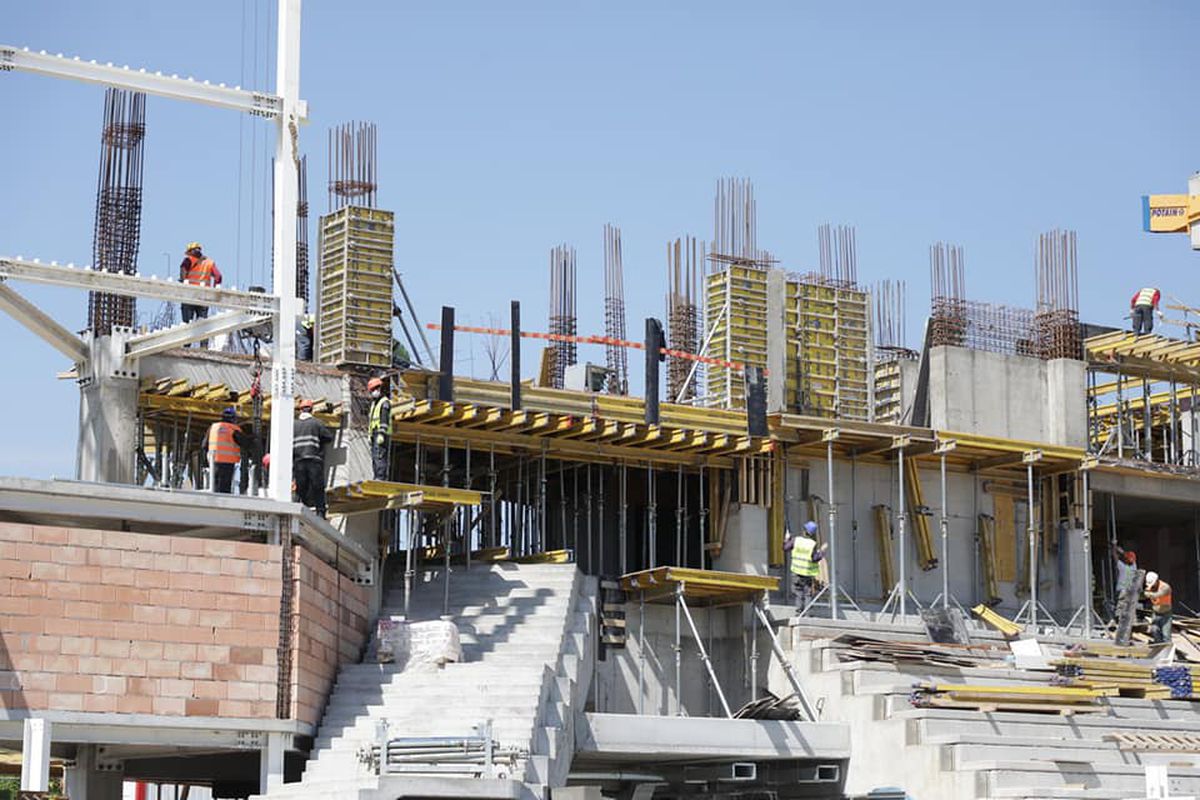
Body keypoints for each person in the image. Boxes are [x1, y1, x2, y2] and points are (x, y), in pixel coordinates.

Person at [293, 398, 334, 516]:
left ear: (300, 410)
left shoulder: (294, 425)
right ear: (311, 410)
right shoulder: (317, 423)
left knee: (301, 488)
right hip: (313, 461)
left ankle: (299, 510)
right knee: (317, 487)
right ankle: (320, 512)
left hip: (299, 461)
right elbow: (328, 437)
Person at [180, 242, 222, 345]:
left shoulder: (188, 260)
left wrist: (183, 281)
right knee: (203, 324)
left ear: (190, 251)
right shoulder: (209, 262)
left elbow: (183, 273)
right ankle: (203, 346)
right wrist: (213, 290)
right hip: (204, 297)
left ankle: (186, 347)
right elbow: (218, 277)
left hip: (189, 296)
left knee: (187, 325)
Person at [783, 521, 827, 613]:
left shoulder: (796, 540)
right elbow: (815, 558)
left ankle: (799, 610)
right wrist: (822, 551)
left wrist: (787, 539)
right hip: (807, 573)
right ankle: (808, 612)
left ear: (804, 530)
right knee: (808, 593)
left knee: (798, 591)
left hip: (796, 571)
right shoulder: (812, 544)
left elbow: (786, 548)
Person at [207, 407, 252, 494]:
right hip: (227, 463)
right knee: (224, 487)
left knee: (214, 486)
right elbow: (244, 442)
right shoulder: (232, 429)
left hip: (213, 462)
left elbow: (204, 445)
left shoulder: (213, 428)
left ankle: (214, 503)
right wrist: (253, 438)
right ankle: (222, 504)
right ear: (233, 419)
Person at [368, 377, 391, 481]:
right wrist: (370, 435)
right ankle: (376, 476)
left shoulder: (384, 402)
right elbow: (372, 421)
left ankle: (380, 477)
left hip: (381, 433)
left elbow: (384, 419)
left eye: (375, 389)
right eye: (372, 390)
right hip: (374, 433)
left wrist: (382, 433)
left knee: (379, 456)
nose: (374, 392)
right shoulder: (374, 404)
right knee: (375, 457)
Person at [1144, 571, 1173, 643]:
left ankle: (1167, 650)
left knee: (1166, 635)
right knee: (1154, 630)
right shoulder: (1150, 587)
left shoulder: (1165, 587)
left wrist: (1147, 593)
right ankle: (1159, 647)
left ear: (1157, 580)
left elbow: (1157, 595)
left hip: (1166, 614)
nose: (1152, 586)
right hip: (1156, 613)